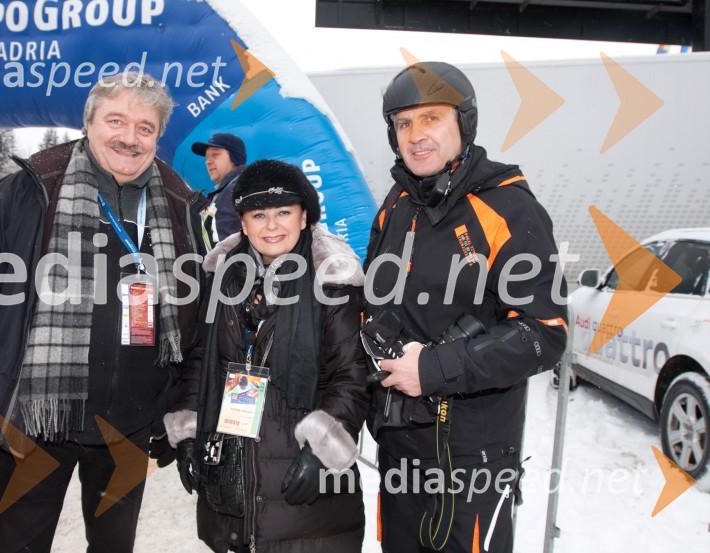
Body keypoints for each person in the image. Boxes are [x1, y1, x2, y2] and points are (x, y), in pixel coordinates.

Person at [0, 72, 205, 552]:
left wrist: (182, 410)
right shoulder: (27, 193)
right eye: (115, 121)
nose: (129, 137)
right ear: (89, 123)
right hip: (33, 421)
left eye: (145, 127)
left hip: (130, 423)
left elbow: (193, 323)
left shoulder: (180, 205)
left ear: (158, 137)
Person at [364, 62, 568, 552]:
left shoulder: (508, 207)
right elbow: (375, 300)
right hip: (399, 444)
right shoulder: (397, 204)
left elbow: (545, 332)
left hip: (472, 457)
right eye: (404, 123)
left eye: (431, 118)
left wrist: (433, 368)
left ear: (464, 123)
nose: (416, 135)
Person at [164, 159, 369, 552]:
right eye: (259, 214)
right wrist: (189, 431)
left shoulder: (333, 280)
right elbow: (201, 361)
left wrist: (321, 450)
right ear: (243, 223)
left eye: (283, 212)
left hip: (305, 494)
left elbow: (351, 377)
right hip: (232, 483)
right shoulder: (223, 278)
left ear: (304, 216)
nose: (271, 225)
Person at [191, 132, 246, 249]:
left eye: (215, 155)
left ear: (234, 158)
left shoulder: (239, 188)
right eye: (207, 157)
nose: (208, 162)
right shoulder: (224, 191)